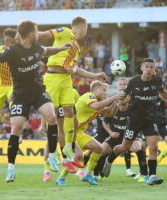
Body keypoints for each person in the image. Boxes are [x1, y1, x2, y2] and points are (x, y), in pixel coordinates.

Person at [0, 20, 72, 182]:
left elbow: (47, 50)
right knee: (16, 128)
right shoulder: (12, 51)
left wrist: (60, 49)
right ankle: (11, 167)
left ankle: (52, 156)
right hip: (20, 95)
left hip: (38, 92)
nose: (39, 33)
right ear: (31, 33)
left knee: (52, 118)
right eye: (37, 30)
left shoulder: (37, 48)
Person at [39, 16, 108, 170]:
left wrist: (94, 76)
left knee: (71, 114)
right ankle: (52, 156)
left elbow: (76, 69)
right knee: (55, 117)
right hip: (53, 78)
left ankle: (68, 152)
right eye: (87, 28)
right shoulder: (64, 31)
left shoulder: (76, 46)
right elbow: (41, 34)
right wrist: (28, 36)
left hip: (66, 80)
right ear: (82, 26)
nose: (86, 31)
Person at [102, 58, 167, 185]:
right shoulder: (134, 81)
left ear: (154, 69)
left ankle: (152, 176)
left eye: (152, 67)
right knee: (125, 147)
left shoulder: (157, 80)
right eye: (147, 67)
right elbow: (124, 95)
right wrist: (115, 103)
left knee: (154, 147)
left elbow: (164, 93)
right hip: (134, 120)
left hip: (150, 119)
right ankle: (110, 159)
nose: (149, 69)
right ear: (142, 68)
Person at [55, 80, 124, 186]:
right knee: (77, 155)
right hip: (70, 132)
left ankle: (87, 175)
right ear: (95, 90)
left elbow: (109, 113)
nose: (106, 93)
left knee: (99, 148)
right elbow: (95, 106)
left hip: (80, 133)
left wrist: (116, 102)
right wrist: (114, 97)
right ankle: (61, 178)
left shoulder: (97, 103)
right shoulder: (89, 96)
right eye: (104, 90)